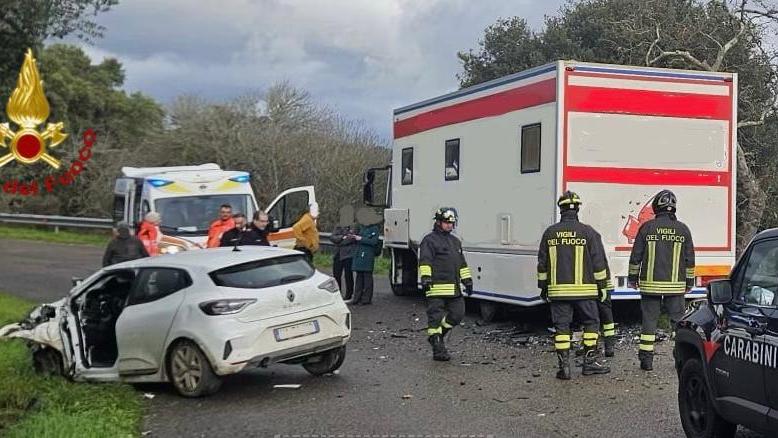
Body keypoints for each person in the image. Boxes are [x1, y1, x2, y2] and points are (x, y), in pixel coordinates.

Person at [537, 191, 610, 380]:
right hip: (586, 291)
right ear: (577, 209)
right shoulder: (589, 232)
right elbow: (598, 263)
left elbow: (542, 264)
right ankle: (589, 363)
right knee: (591, 324)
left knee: (562, 328)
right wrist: (603, 286)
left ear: (560, 209)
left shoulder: (550, 233)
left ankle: (564, 368)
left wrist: (543, 287)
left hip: (559, 292)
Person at [628, 189, 695, 371]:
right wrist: (689, 283)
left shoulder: (647, 228)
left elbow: (636, 257)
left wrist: (632, 279)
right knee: (678, 323)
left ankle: (646, 360)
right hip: (676, 287)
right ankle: (680, 358)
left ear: (656, 207)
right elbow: (690, 260)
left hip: (650, 286)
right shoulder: (683, 229)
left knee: (649, 321)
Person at [418, 207, 472, 362]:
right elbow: (425, 260)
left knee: (458, 314)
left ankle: (437, 336)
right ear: (439, 222)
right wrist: (426, 277)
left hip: (454, 289)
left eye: (452, 223)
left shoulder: (455, 241)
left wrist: (467, 280)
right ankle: (438, 348)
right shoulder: (429, 240)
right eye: (447, 222)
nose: (449, 225)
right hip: (435, 288)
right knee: (434, 319)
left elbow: (461, 264)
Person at [351, 207, 381, 305]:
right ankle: (356, 298)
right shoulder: (360, 227)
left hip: (368, 255)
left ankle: (366, 299)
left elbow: (373, 241)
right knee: (359, 278)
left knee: (367, 278)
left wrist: (361, 239)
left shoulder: (374, 229)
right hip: (359, 254)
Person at [330, 205, 357, 300]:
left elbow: (350, 239)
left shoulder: (353, 226)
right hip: (337, 254)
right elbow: (332, 237)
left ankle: (349, 294)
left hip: (348, 254)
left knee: (348, 275)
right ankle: (338, 294)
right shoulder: (338, 225)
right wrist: (342, 237)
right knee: (336, 275)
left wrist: (341, 239)